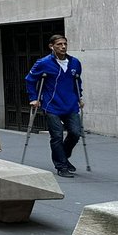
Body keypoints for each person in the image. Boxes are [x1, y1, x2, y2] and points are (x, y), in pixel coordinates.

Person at [25, 34, 84, 178]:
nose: (63, 47)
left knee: (75, 133)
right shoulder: (43, 63)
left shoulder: (75, 63)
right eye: (59, 44)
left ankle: (63, 156)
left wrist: (79, 96)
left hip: (70, 105)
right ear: (51, 46)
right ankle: (61, 166)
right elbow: (30, 80)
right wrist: (34, 98)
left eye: (65, 44)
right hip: (52, 106)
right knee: (57, 136)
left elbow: (77, 81)